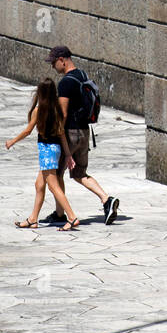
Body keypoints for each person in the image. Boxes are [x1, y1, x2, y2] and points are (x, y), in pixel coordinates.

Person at [43, 46, 119, 225]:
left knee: (56, 173)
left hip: (70, 133)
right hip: (85, 132)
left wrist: (57, 135)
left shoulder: (65, 83)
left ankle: (61, 214)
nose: (53, 66)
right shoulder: (83, 75)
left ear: (63, 59)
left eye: (54, 62)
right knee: (79, 173)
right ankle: (106, 199)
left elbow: (63, 113)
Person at [5, 78, 80, 231]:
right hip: (55, 150)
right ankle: (33, 219)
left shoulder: (38, 110)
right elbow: (61, 134)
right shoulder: (57, 109)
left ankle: (72, 217)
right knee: (39, 184)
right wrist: (67, 154)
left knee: (53, 186)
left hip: (46, 151)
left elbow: (28, 131)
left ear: (40, 93)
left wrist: (12, 141)